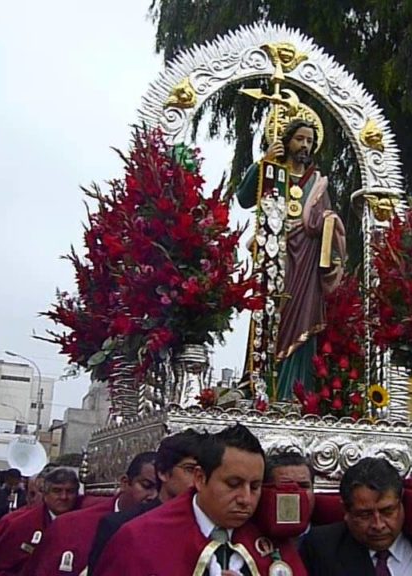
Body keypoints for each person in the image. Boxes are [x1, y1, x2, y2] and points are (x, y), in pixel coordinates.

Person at [94, 424, 307, 576]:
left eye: (255, 486)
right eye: (233, 484)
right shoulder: (140, 538)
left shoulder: (273, 540)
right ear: (200, 478)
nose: (246, 499)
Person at [236, 117, 347, 400]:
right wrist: (263, 163)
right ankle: (263, 391)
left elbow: (328, 217)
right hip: (276, 260)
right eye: (300, 139)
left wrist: (324, 222)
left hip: (307, 264)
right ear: (287, 141)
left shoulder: (317, 183)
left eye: (309, 141)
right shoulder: (273, 172)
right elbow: (244, 198)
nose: (305, 145)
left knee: (303, 323)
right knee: (271, 320)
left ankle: (296, 395)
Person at [300, 457, 412, 576]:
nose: (378, 525)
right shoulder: (322, 549)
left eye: (387, 511)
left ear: (402, 503)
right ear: (346, 511)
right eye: (364, 514)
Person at [23, 452, 157, 576]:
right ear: (125, 483)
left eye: (162, 490)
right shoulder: (70, 526)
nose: (154, 496)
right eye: (146, 486)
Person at [88, 430, 204, 573]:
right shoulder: (119, 525)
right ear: (162, 472)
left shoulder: (209, 526)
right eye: (190, 469)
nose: (199, 478)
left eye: (205, 471)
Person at [0, 466, 84, 576]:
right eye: (57, 491)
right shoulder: (16, 524)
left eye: (70, 491)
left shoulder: (86, 526)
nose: (63, 497)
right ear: (45, 493)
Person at [265, 452, 316, 546]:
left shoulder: (330, 541)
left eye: (303, 486)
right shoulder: (248, 540)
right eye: (286, 486)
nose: (298, 495)